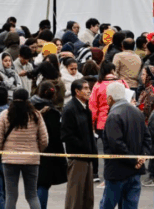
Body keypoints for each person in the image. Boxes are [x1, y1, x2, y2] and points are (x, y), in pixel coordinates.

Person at [0, 88, 49, 209]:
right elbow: (44, 139)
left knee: (11, 195)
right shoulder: (36, 115)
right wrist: (37, 150)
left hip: (9, 160)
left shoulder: (5, 114)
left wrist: (4, 151)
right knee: (32, 195)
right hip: (31, 159)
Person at [99, 82, 149, 209]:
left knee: (107, 205)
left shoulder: (113, 115)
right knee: (130, 205)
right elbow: (147, 138)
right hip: (135, 171)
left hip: (117, 171)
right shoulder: (137, 113)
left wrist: (135, 159)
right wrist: (141, 157)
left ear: (110, 98)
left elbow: (116, 144)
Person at [29, 83, 67, 209]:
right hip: (47, 152)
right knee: (43, 184)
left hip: (28, 149)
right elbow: (57, 136)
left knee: (33, 184)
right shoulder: (53, 113)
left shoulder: (29, 108)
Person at [60, 79, 97, 209]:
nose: (89, 91)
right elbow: (66, 135)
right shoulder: (69, 109)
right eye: (86, 88)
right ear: (77, 91)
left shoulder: (86, 109)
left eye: (89, 88)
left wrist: (93, 155)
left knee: (88, 198)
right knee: (75, 198)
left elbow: (90, 135)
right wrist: (84, 148)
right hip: (77, 158)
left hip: (88, 158)